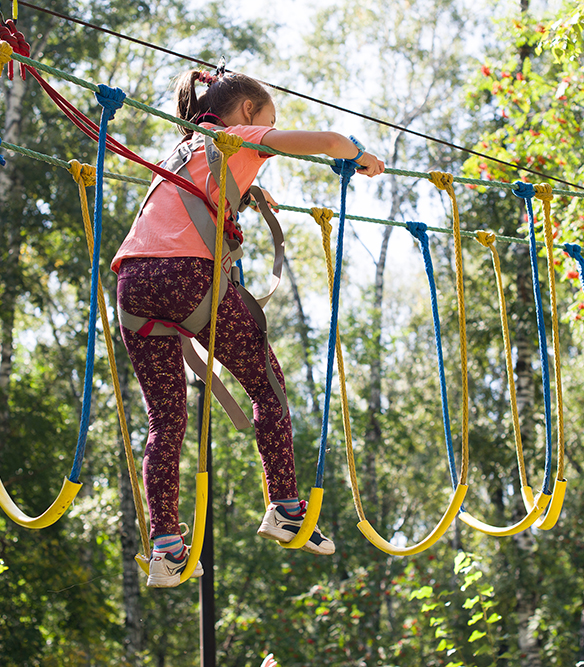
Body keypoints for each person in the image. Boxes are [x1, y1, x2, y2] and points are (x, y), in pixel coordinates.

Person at [111, 68, 385, 587]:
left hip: (133, 285)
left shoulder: (183, 148)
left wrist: (251, 195)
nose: (268, 137)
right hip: (187, 277)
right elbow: (326, 141)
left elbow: (195, 200)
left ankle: (166, 548)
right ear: (249, 113)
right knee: (266, 386)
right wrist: (358, 154)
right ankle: (284, 506)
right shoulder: (238, 136)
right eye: (269, 123)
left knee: (164, 421)